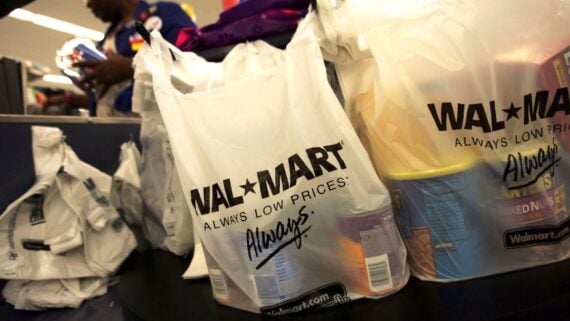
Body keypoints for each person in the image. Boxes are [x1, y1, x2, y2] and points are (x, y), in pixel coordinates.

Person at [45, 0, 197, 117]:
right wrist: (74, 97)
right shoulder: (107, 39)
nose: (88, 4)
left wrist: (132, 67)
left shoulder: (165, 14)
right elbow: (111, 97)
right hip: (113, 134)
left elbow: (194, 64)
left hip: (158, 130)